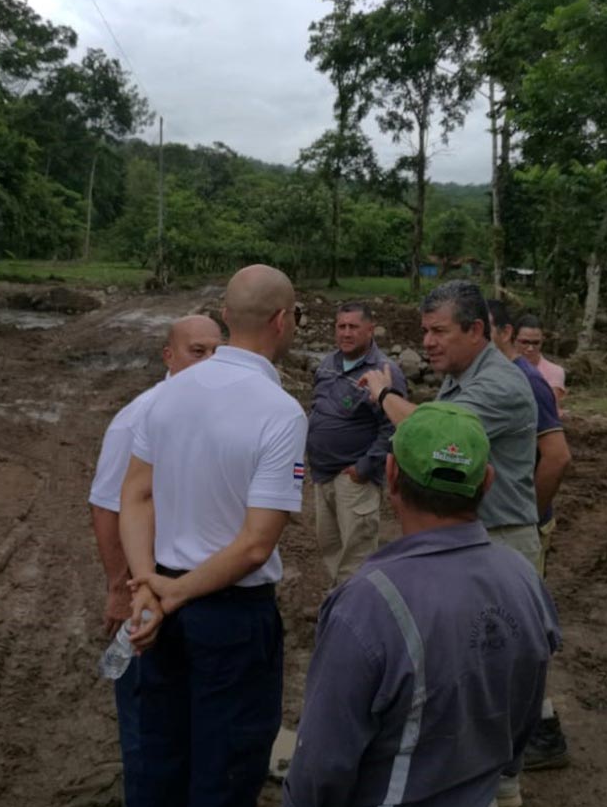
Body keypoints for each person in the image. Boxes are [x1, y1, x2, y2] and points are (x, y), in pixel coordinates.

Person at [283, 402, 561, 807]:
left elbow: (320, 768)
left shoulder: (366, 603)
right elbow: (521, 719)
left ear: (391, 474)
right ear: (487, 481)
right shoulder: (524, 579)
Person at [118, 264, 307, 807]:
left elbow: (135, 495)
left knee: (162, 754)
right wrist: (170, 592)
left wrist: (148, 586)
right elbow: (254, 545)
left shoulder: (168, 395)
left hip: (160, 607)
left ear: (225, 317)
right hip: (229, 617)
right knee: (225, 769)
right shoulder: (281, 414)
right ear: (281, 321)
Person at [360, 280, 540, 807]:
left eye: (439, 331)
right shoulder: (458, 380)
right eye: (425, 331)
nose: (429, 342)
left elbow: (433, 437)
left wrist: (386, 395)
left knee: (498, 675)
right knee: (457, 671)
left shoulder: (503, 385)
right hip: (466, 541)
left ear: (476, 330)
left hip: (501, 543)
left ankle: (503, 788)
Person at [87, 313, 223, 803]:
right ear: (168, 355)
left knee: (196, 714)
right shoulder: (140, 417)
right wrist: (119, 587)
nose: (208, 362)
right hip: (148, 584)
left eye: (215, 352)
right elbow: (107, 507)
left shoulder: (223, 412)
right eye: (196, 351)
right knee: (148, 716)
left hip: (204, 585)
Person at [488, 299, 572, 771]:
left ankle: (543, 728)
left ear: (499, 333)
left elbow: (557, 458)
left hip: (525, 523)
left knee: (522, 629)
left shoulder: (528, 382)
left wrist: (530, 514)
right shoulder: (503, 379)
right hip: (518, 519)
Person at [306, 301, 406, 584]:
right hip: (322, 474)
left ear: (370, 330)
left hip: (354, 478)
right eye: (341, 326)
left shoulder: (384, 371)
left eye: (353, 327)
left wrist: (364, 468)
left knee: (357, 554)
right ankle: (339, 600)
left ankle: (356, 612)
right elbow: (318, 405)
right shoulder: (328, 364)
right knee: (331, 548)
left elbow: (393, 427)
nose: (346, 333)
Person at [514, 314, 567, 405]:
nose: (530, 348)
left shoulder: (554, 371)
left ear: (542, 341)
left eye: (535, 343)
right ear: (513, 339)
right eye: (524, 342)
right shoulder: (502, 368)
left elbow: (550, 407)